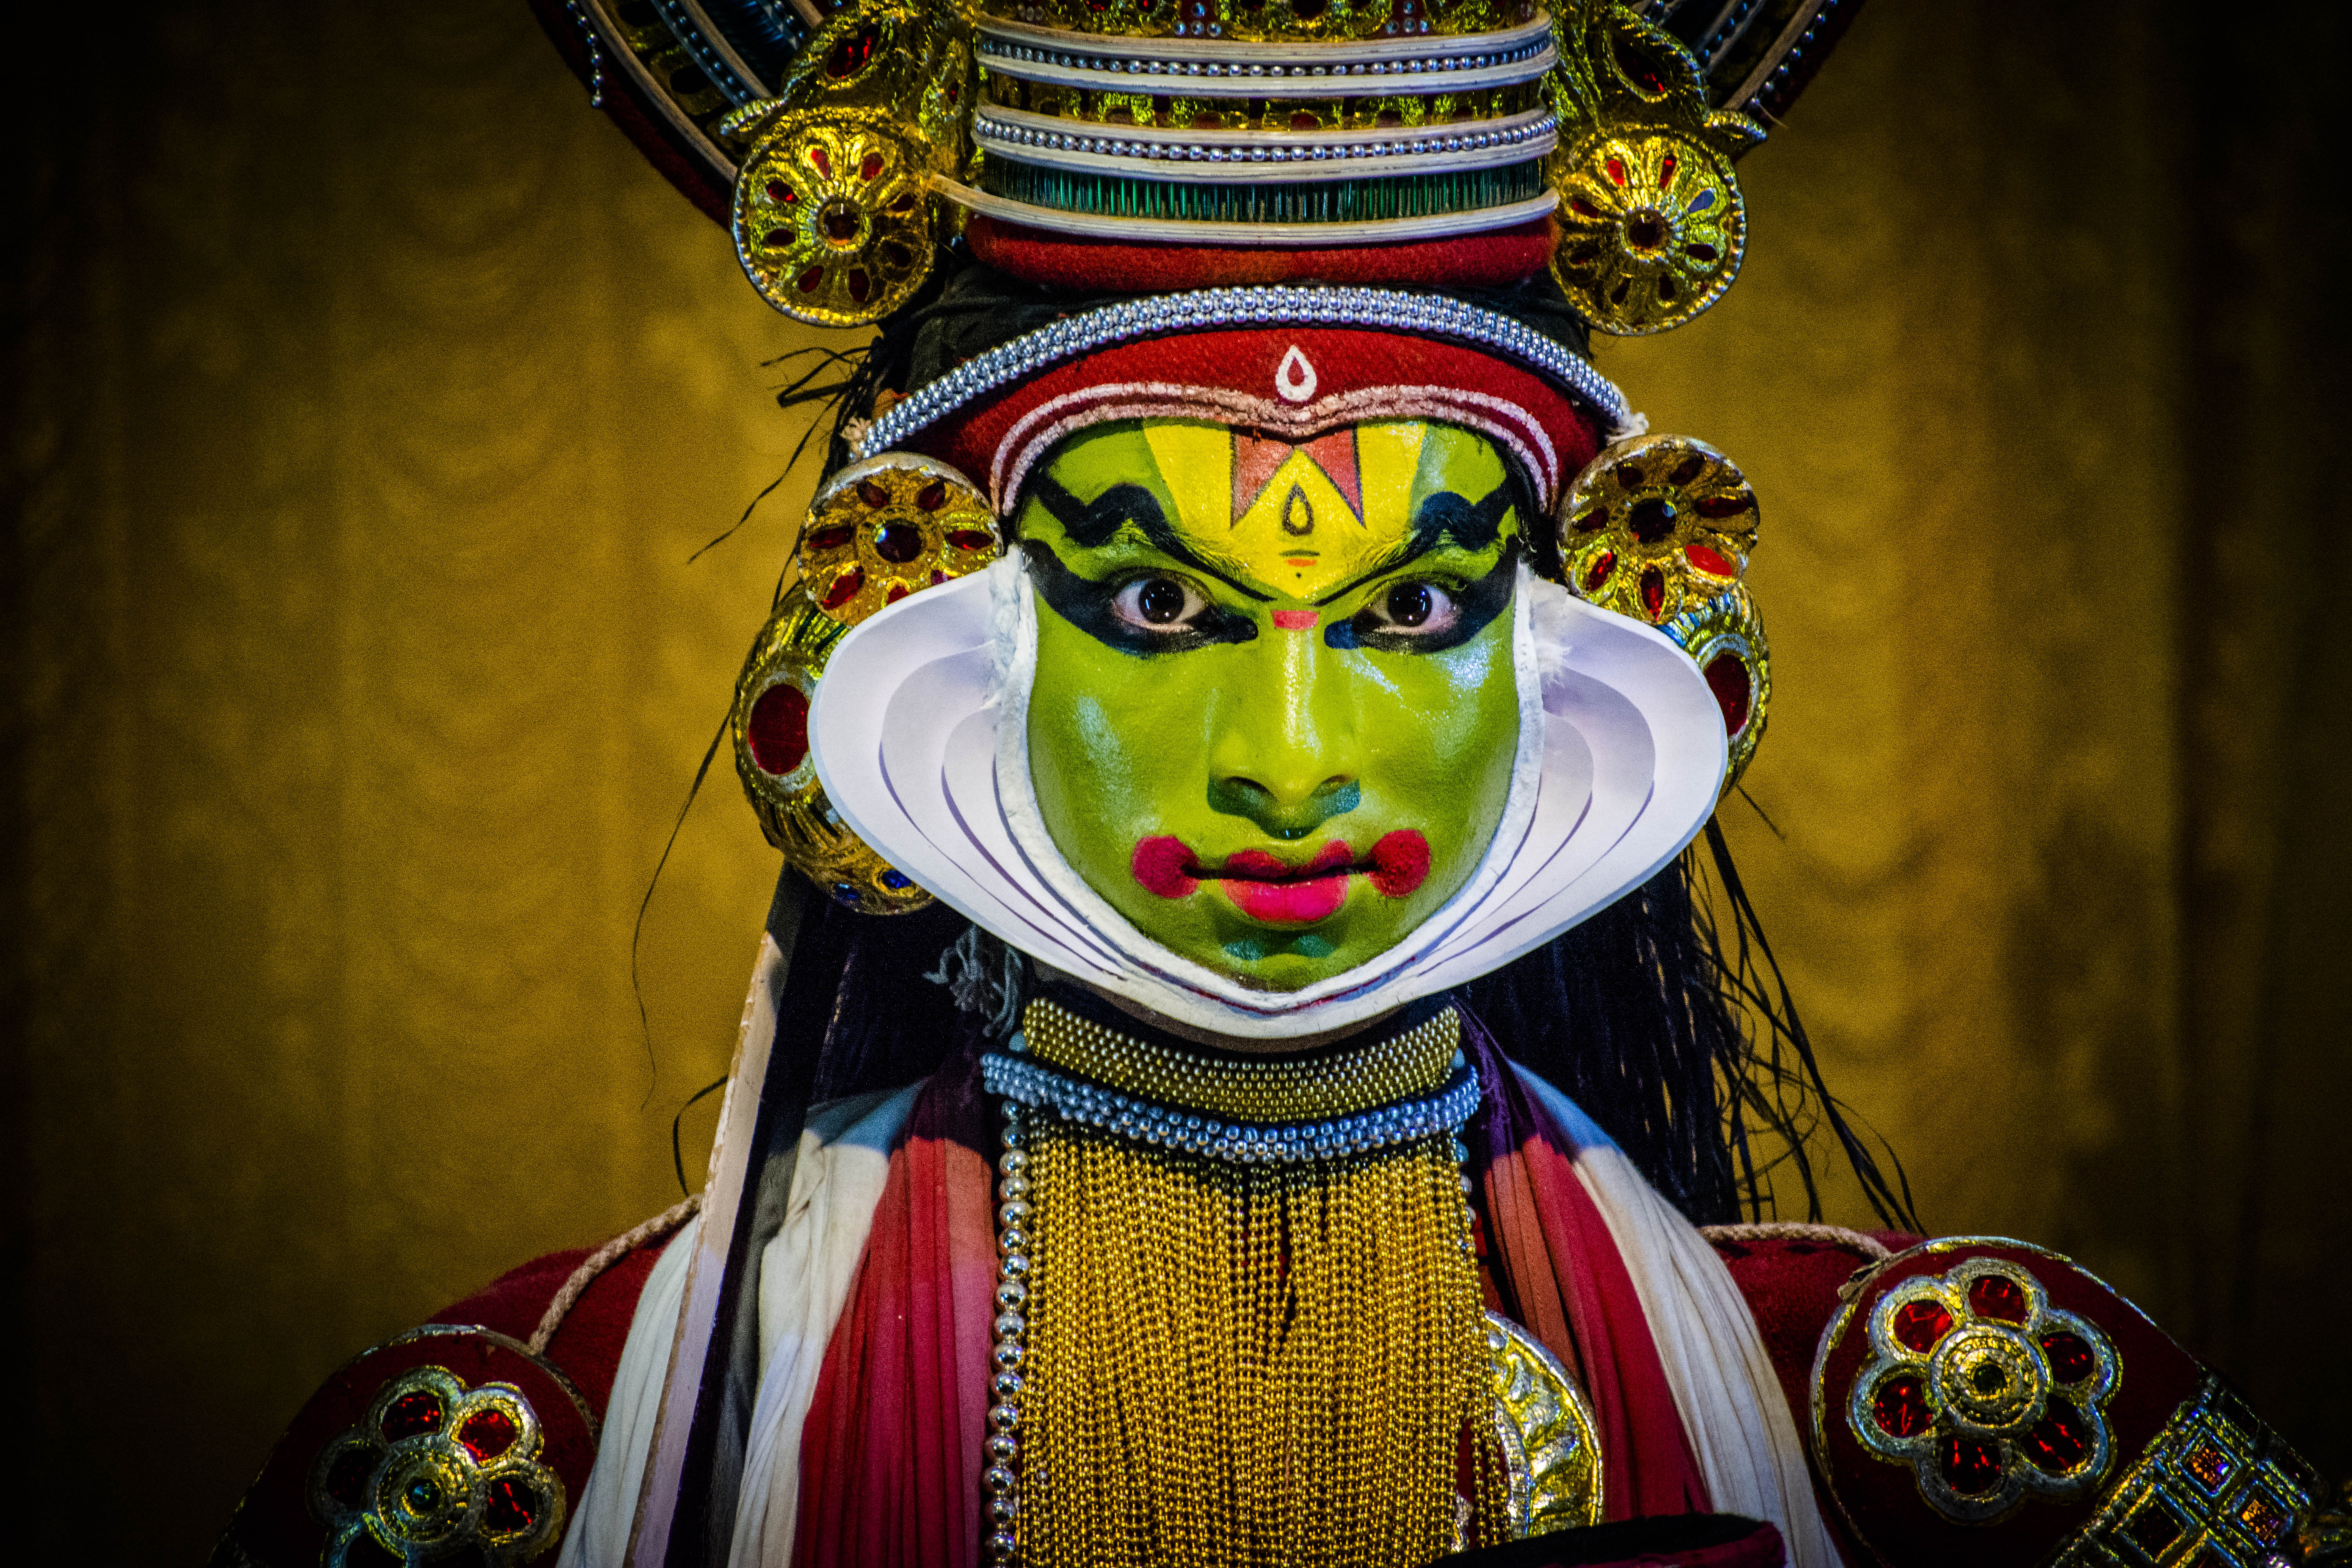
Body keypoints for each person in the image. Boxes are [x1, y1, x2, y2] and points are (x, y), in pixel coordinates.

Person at [211, 2, 2348, 1566]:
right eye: (1155, 611)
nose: (1296, 769)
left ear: (1602, 654)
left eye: (1414, 615)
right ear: (909, 642)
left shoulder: (1975, 1418)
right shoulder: (516, 1463)